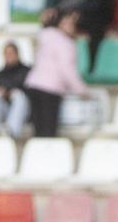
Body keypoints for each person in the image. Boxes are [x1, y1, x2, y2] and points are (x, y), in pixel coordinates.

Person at [23, 8, 88, 139]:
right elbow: (67, 70)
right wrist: (82, 90)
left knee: (38, 128)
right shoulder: (66, 44)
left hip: (34, 85)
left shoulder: (46, 35)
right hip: (50, 89)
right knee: (48, 130)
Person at [0, 40, 32, 137]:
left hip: (23, 110)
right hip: (5, 109)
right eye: (6, 53)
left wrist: (10, 91)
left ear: (17, 54)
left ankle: (11, 132)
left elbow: (30, 90)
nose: (9, 55)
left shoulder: (28, 71)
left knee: (19, 96)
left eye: (11, 53)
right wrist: (2, 92)